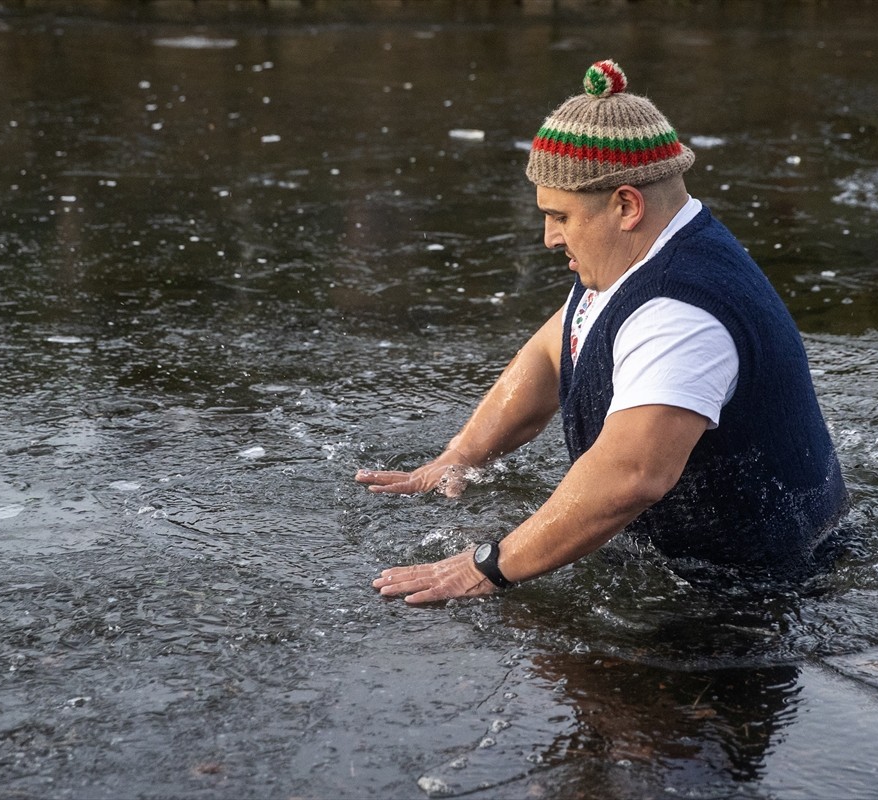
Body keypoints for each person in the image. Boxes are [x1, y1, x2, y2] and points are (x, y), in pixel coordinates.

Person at [356, 60, 848, 604]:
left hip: (748, 599)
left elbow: (631, 477)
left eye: (560, 216)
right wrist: (462, 455)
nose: (548, 238)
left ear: (626, 205)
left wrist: (487, 567)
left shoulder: (679, 313)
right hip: (692, 569)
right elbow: (550, 353)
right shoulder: (640, 256)